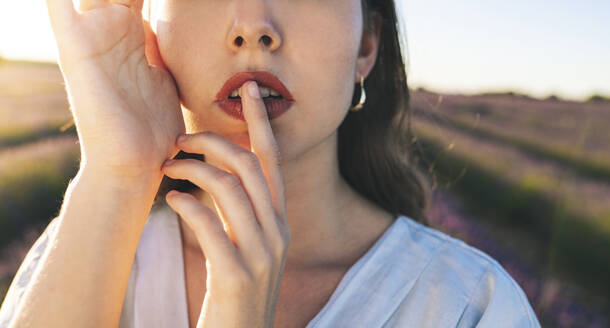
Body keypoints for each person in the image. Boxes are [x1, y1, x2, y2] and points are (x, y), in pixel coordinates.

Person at [0, 0, 541, 327]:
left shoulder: (468, 307)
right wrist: (115, 173)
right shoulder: (78, 254)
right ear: (151, 24)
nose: (254, 27)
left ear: (367, 44)